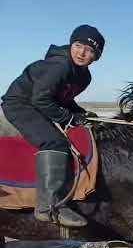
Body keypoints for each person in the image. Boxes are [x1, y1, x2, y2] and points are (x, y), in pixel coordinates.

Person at [1, 25, 105, 227]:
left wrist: (82, 115)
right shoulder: (60, 65)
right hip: (20, 103)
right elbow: (41, 100)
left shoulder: (84, 76)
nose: (82, 53)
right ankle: (48, 207)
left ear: (96, 56)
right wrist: (69, 118)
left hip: (38, 102)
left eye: (90, 50)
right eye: (78, 45)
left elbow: (63, 99)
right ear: (71, 44)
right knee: (54, 142)